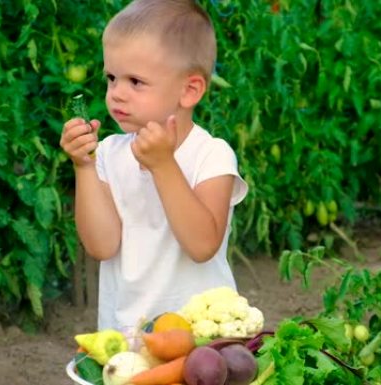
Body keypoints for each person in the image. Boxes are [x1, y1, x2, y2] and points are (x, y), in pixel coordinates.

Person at [59, 0, 248, 332]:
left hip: (201, 337)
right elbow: (102, 245)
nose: (116, 93)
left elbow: (203, 245)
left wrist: (164, 166)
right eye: (111, 78)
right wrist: (84, 167)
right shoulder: (108, 154)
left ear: (189, 90)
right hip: (126, 336)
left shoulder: (210, 156)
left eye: (135, 82)